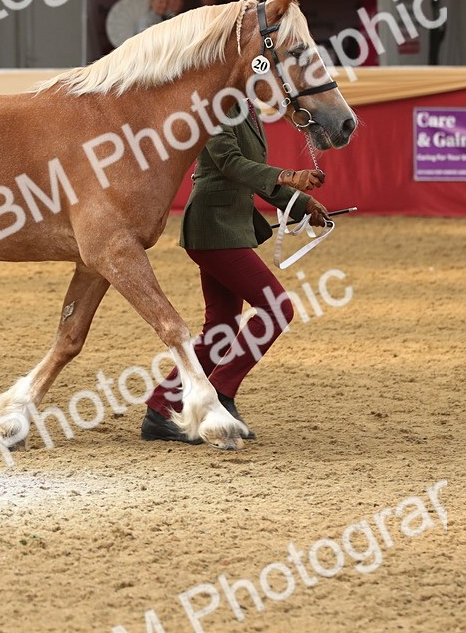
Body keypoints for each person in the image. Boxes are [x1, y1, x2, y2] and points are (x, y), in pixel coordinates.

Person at [140, 96, 329, 444]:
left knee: (221, 328)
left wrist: (301, 204)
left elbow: (251, 175)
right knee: (277, 308)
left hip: (226, 227)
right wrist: (289, 177)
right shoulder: (217, 104)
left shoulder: (245, 106)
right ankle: (221, 395)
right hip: (213, 226)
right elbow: (229, 163)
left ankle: (161, 409)